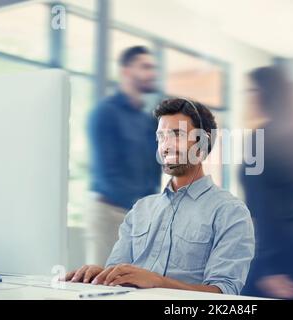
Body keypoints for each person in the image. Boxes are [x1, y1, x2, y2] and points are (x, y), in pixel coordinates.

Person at [64, 98, 255, 295]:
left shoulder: (230, 212)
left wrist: (158, 282)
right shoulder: (140, 209)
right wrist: (99, 276)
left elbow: (225, 293)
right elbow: (119, 277)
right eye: (161, 137)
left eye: (177, 135)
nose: (166, 146)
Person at [240, 65, 293, 299]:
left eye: (250, 91)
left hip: (274, 256)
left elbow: (264, 206)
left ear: (263, 93)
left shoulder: (259, 139)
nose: (247, 98)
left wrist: (267, 267)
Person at [85, 46, 162, 266]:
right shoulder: (105, 113)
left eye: (153, 68)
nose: (152, 73)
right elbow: (108, 173)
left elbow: (152, 172)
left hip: (138, 216)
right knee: (103, 285)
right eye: (145, 67)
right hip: (109, 213)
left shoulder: (148, 120)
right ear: (126, 71)